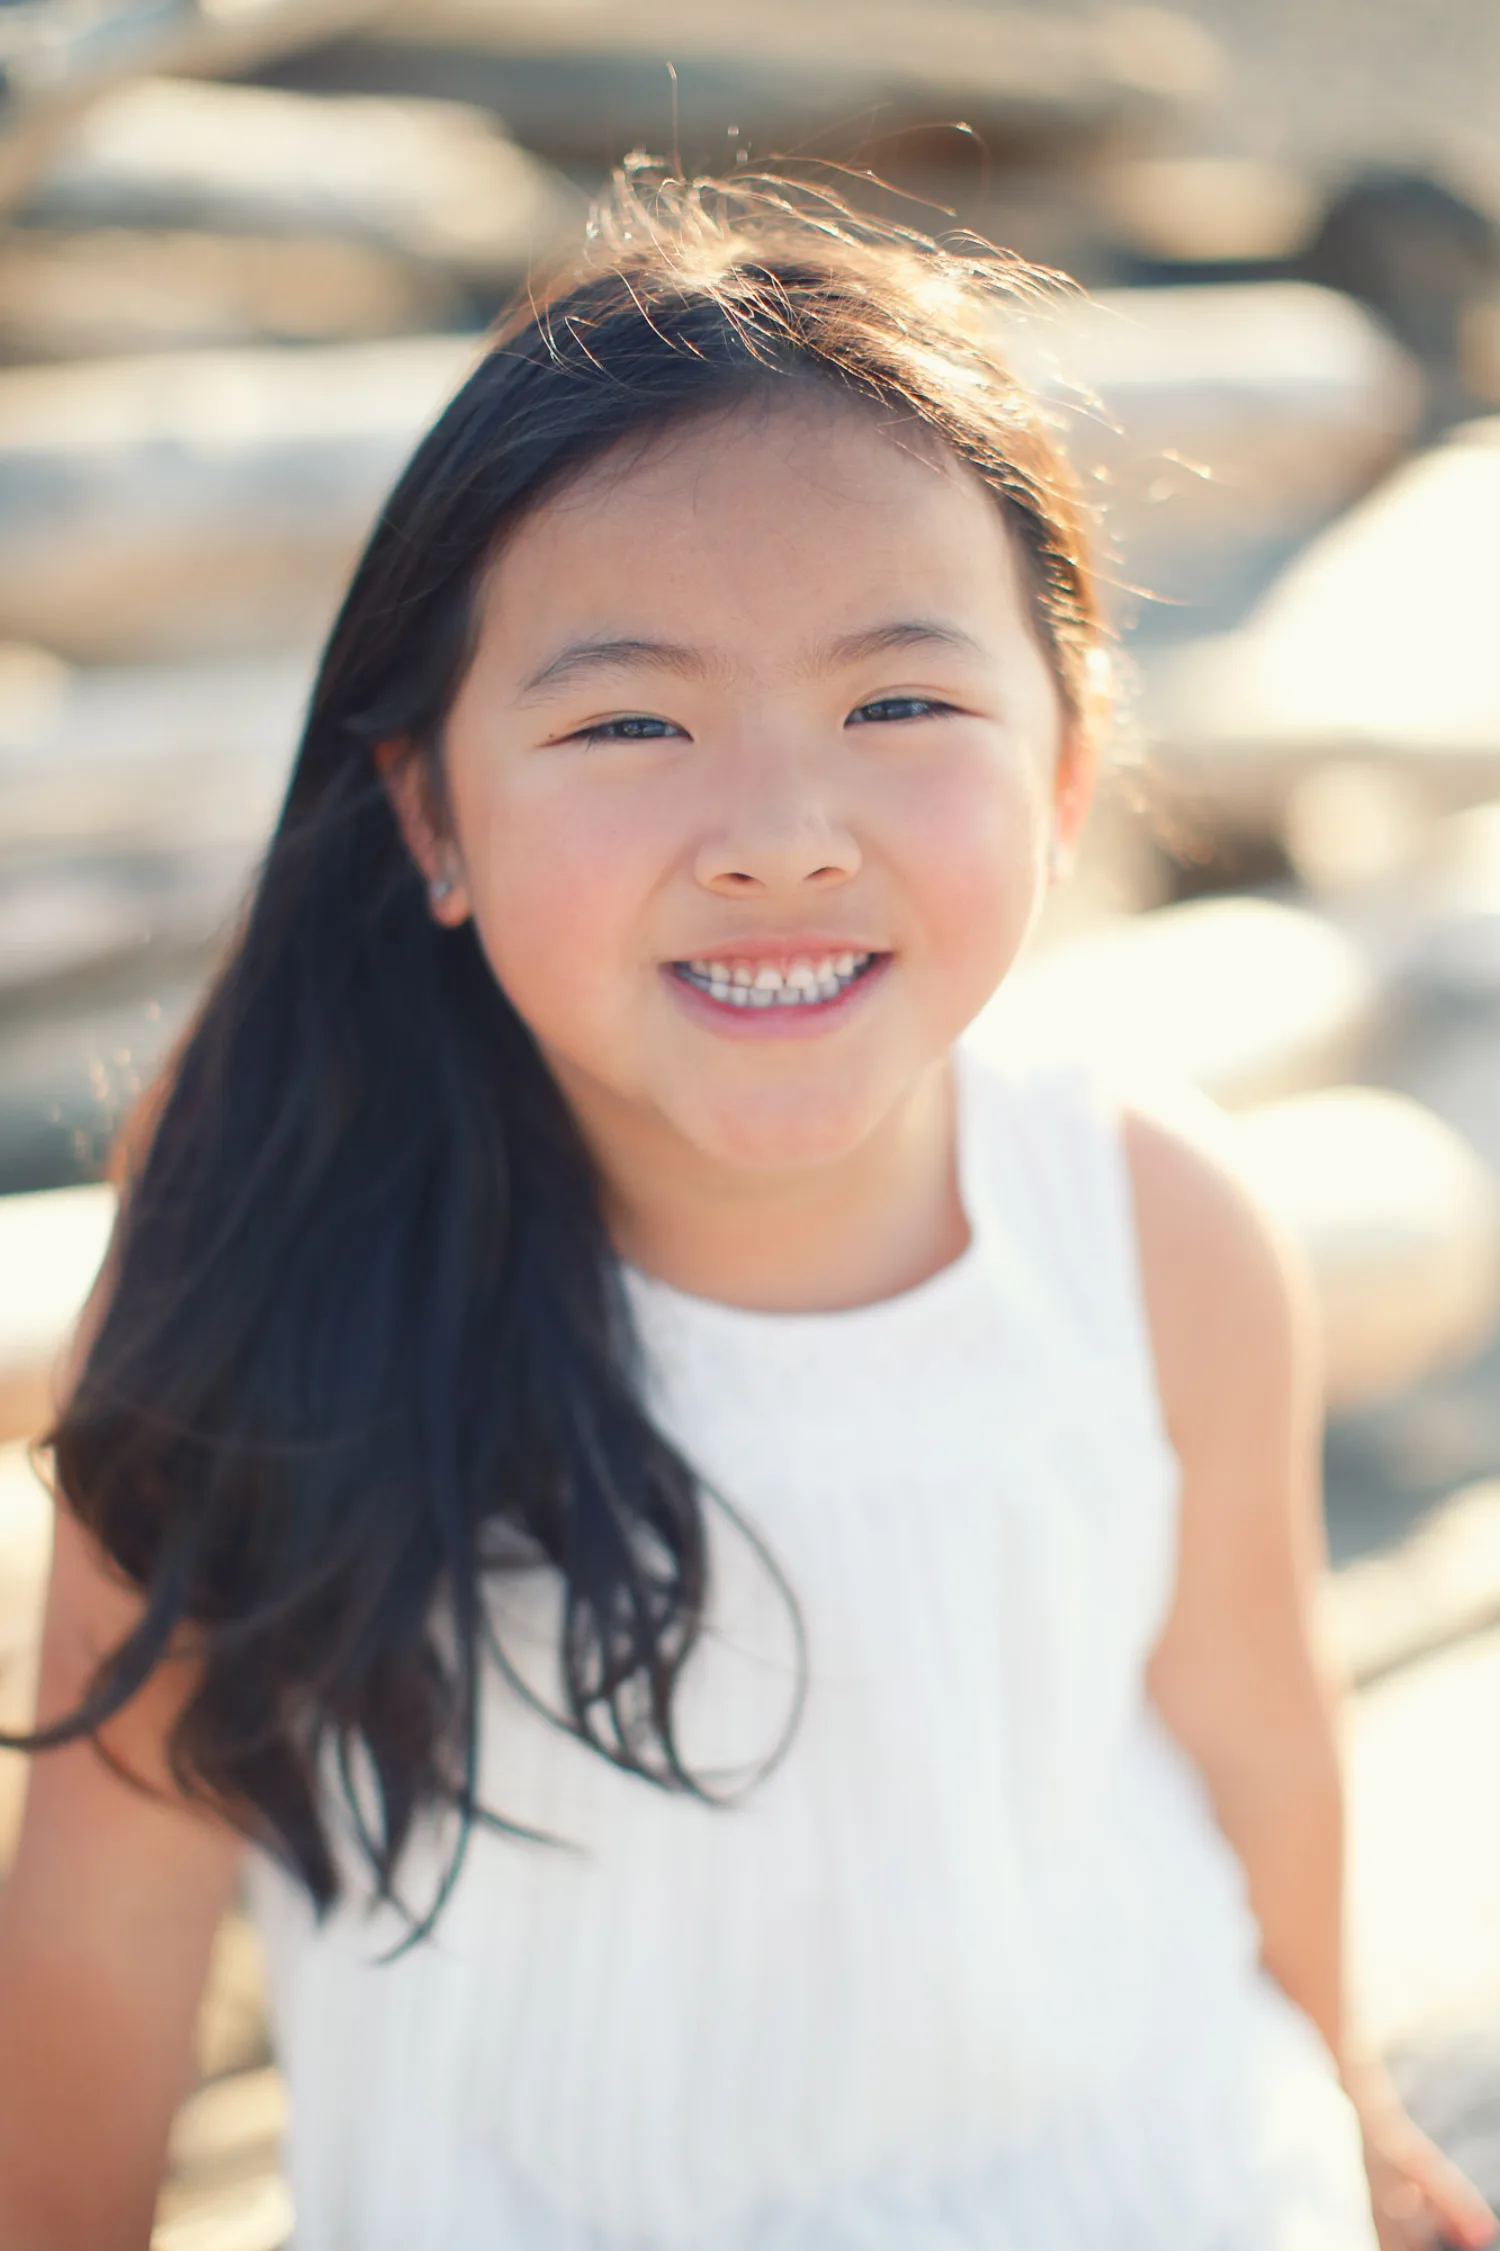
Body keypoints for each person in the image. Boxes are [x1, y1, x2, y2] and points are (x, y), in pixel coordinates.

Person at [0, 170, 1493, 2251]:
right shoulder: (286, 1238)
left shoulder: (1153, 1229)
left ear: (1068, 770)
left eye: (900, 704)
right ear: (432, 812)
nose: (780, 837)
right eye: (630, 721)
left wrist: (1346, 2100)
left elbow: (1255, 1734)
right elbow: (110, 1891)